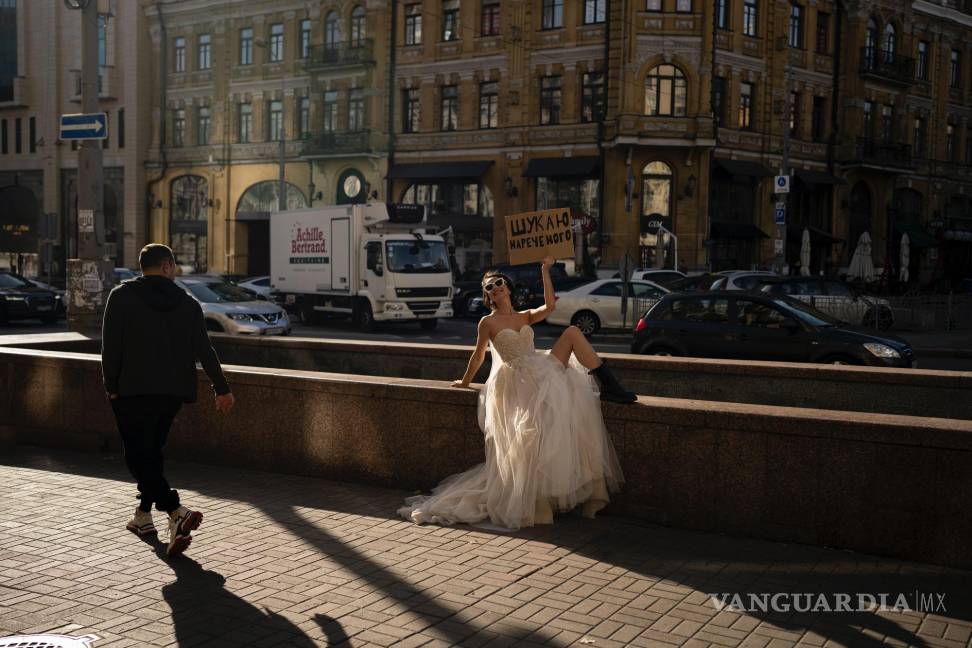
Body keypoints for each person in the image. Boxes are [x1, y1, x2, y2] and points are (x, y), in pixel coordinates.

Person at [398, 256, 635, 530]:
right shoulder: (488, 322)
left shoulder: (523, 316)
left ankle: (611, 386)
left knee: (572, 333)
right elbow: (478, 357)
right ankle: (538, 503)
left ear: (508, 288)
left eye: (499, 283)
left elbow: (550, 305)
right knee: (534, 432)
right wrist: (464, 382)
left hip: (540, 368)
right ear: (488, 296)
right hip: (516, 380)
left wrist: (545, 270)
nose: (495, 288)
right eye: (489, 287)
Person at [101, 244, 235, 557]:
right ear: (166, 266)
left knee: (137, 458)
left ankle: (176, 510)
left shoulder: (120, 297)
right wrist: (222, 388)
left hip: (131, 390)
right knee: (152, 453)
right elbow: (205, 350)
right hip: (172, 392)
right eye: (173, 267)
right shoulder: (187, 303)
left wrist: (110, 385)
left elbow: (111, 346)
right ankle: (143, 517)